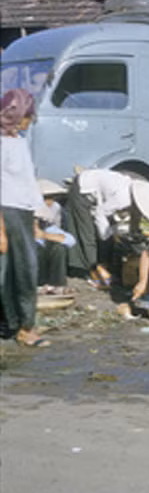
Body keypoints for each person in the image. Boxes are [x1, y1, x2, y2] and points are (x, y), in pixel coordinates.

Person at [0, 88, 48, 347]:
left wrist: (34, 219)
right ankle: (19, 326)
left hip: (23, 212)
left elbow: (27, 183)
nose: (30, 121)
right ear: (16, 116)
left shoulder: (18, 141)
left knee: (25, 270)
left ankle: (23, 324)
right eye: (28, 116)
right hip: (7, 212)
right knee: (10, 273)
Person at [34, 179, 76, 294]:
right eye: (46, 198)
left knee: (58, 248)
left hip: (45, 234)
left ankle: (56, 285)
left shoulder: (53, 213)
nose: (50, 202)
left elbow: (70, 240)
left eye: (51, 198)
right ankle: (38, 285)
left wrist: (44, 235)